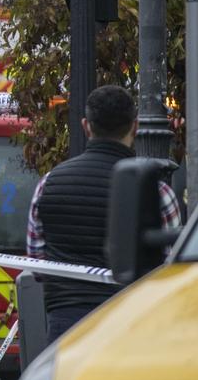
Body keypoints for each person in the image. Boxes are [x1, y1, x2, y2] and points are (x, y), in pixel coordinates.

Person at [26, 84, 181, 339]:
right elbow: (170, 263)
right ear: (135, 126)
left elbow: (37, 262)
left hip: (66, 320)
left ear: (86, 126)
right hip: (132, 320)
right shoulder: (157, 191)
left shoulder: (49, 184)